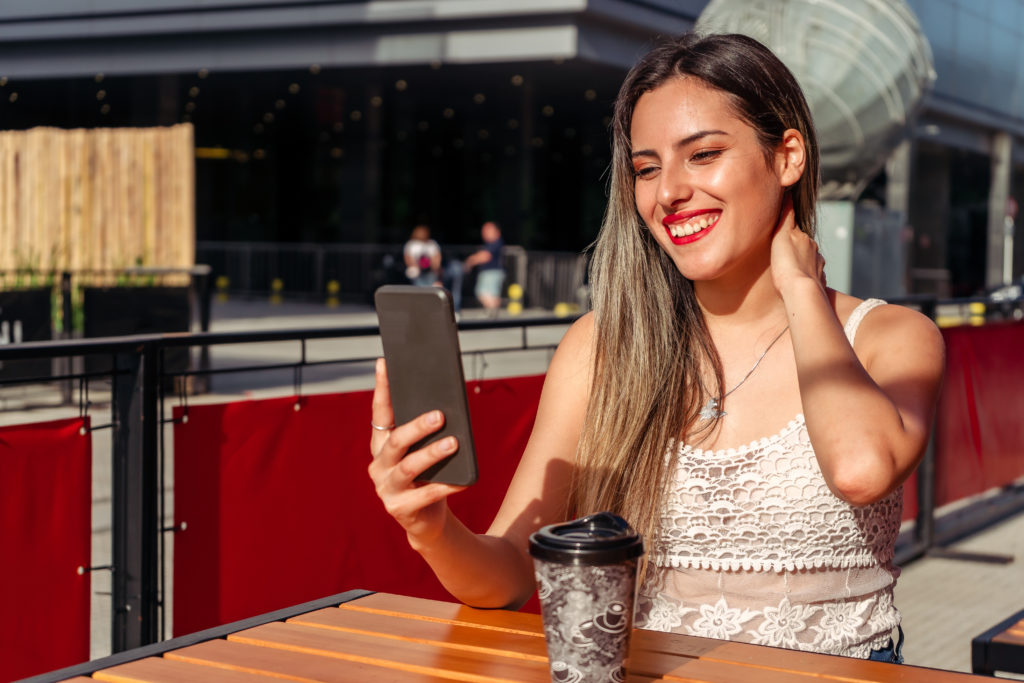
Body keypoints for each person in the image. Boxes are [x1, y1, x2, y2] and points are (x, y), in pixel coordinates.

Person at [368, 33, 944, 662]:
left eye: (703, 155)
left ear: (788, 157)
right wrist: (429, 527)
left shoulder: (892, 338)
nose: (667, 192)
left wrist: (801, 286)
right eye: (646, 168)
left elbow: (860, 471)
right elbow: (505, 577)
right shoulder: (601, 349)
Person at [463, 221, 505, 315]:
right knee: (489, 294)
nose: (484, 233)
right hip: (490, 272)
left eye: (487, 230)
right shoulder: (491, 243)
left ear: (496, 231)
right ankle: (493, 315)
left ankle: (493, 315)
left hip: (492, 272)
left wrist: (471, 260)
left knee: (484, 293)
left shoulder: (495, 243)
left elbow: (485, 256)